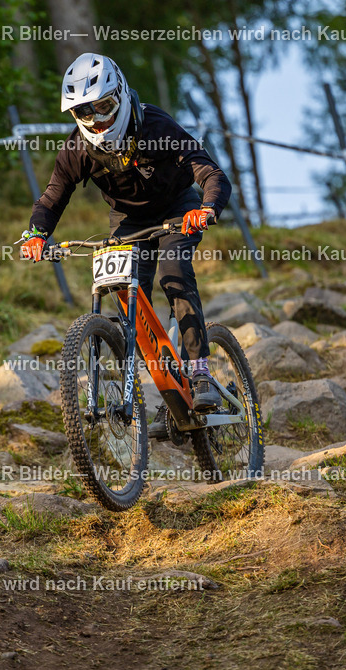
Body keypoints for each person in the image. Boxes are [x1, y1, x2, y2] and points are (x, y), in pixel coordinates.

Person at [19, 53, 231, 437]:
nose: (97, 120)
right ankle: (149, 395)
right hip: (128, 221)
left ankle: (199, 371)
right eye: (85, 112)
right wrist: (35, 234)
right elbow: (51, 199)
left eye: (103, 107)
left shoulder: (157, 126)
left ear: (120, 95)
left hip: (177, 211)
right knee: (124, 299)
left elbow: (209, 171)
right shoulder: (77, 150)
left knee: (174, 273)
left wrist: (207, 207)